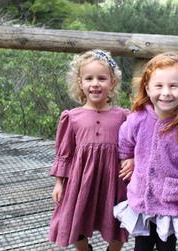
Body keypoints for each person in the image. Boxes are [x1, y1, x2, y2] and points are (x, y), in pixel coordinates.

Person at [114, 52, 178, 251]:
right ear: (147, 88)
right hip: (141, 198)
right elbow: (125, 137)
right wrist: (128, 157)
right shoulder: (138, 118)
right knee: (141, 246)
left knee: (167, 247)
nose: (166, 93)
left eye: (173, 86)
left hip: (170, 203)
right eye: (159, 86)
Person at [48, 49, 128, 251]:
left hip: (114, 181)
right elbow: (64, 153)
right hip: (80, 181)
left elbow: (132, 147)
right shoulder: (72, 117)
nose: (95, 83)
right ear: (80, 83)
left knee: (119, 220)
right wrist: (59, 183)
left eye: (102, 78)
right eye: (89, 78)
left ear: (113, 83)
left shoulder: (123, 117)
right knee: (75, 218)